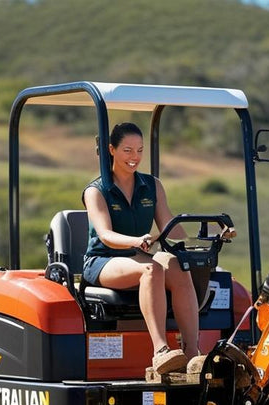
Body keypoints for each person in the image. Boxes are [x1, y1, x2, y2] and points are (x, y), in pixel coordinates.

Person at [82, 122, 223, 375]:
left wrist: (210, 237)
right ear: (111, 150)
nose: (134, 157)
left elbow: (171, 228)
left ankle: (192, 354)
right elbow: (106, 235)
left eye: (139, 150)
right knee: (151, 269)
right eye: (127, 150)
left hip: (138, 253)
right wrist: (136, 241)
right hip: (104, 259)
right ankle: (161, 352)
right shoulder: (96, 191)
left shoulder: (152, 185)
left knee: (178, 265)